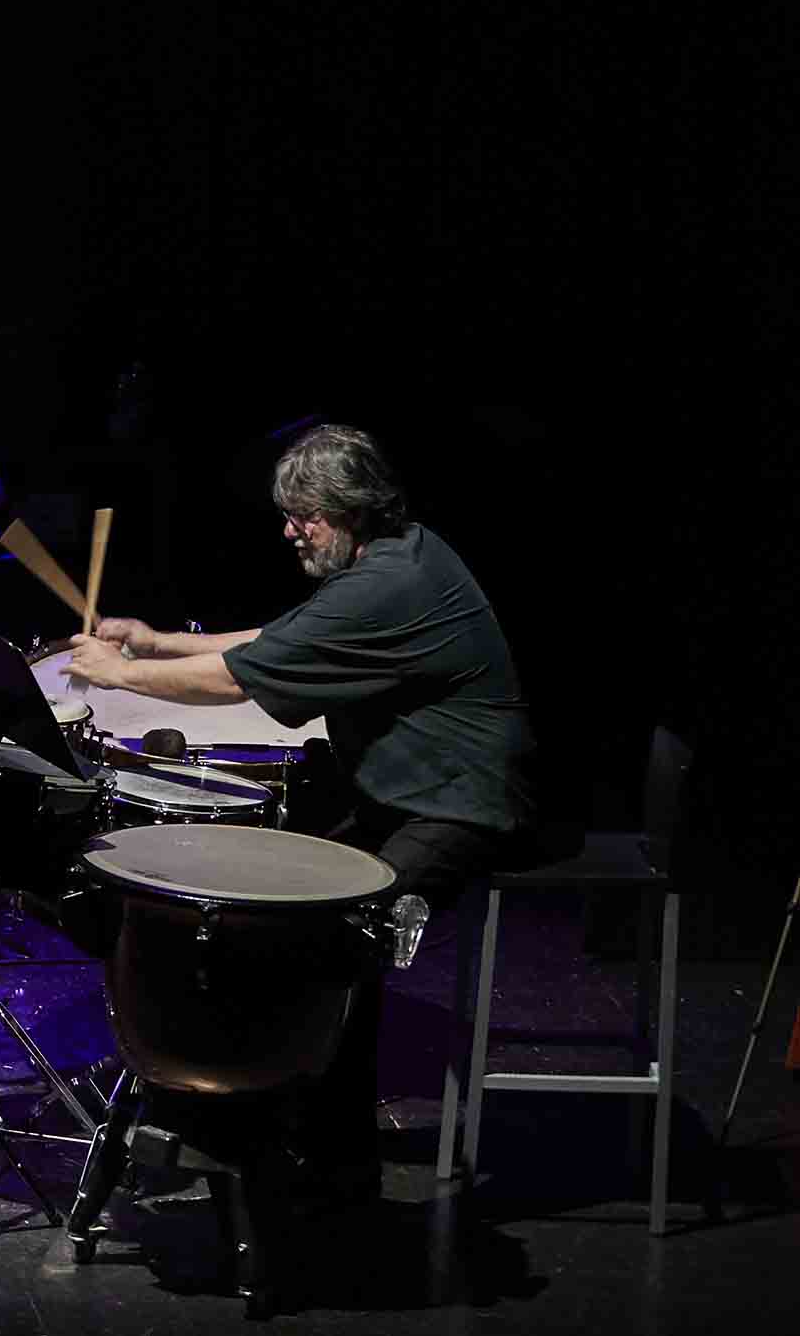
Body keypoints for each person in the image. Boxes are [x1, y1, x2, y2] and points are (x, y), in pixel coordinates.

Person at [66, 421, 538, 1200]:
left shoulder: (391, 582)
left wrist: (118, 675)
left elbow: (234, 683)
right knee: (283, 919)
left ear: (349, 509)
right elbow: (279, 641)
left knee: (320, 933)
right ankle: (289, 1130)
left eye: (303, 514)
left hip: (461, 808)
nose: (289, 529)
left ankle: (321, 1157)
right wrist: (154, 644)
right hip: (405, 795)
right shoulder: (398, 554)